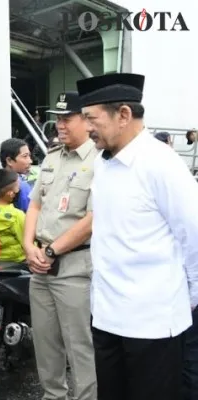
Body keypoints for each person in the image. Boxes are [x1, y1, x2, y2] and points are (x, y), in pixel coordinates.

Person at [77, 72, 198, 400]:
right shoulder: (104, 163)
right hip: (106, 316)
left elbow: (193, 236)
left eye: (91, 118)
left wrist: (189, 300)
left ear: (124, 115)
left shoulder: (162, 165)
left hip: (153, 323)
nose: (86, 128)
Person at [23, 91, 98, 400]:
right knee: (45, 343)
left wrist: (51, 251)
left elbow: (93, 218)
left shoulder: (99, 159)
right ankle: (53, 396)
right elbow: (35, 206)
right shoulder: (52, 157)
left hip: (73, 268)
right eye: (58, 118)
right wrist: (29, 247)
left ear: (87, 120)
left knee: (79, 346)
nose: (60, 125)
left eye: (67, 119)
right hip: (40, 265)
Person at [0, 138, 33, 212]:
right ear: (9, 161)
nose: (30, 161)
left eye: (29, 156)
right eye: (25, 156)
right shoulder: (22, 186)